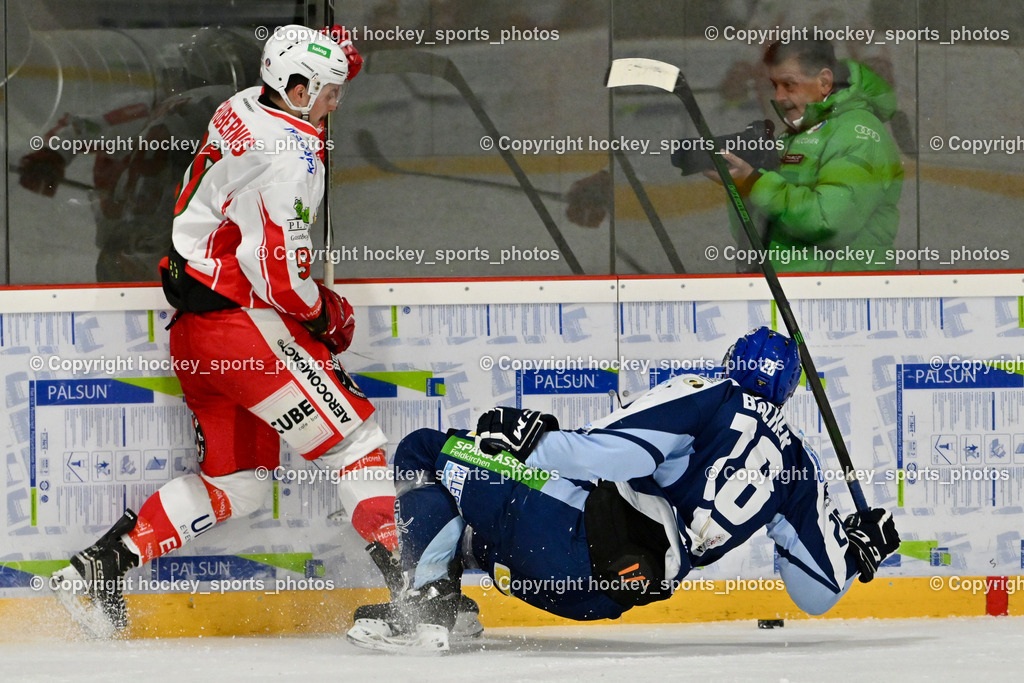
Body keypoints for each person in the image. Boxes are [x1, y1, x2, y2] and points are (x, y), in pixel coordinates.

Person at [49, 24, 484, 639]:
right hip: (244, 329)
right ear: (298, 89)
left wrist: (332, 55)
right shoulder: (289, 159)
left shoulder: (242, 107)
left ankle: (99, 569)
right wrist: (323, 312)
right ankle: (415, 600)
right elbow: (280, 276)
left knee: (236, 487)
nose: (338, 102)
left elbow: (295, 91)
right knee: (354, 444)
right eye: (330, 91)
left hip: (197, 335)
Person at [346, 327, 900, 653]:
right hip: (605, 597)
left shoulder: (710, 392)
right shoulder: (798, 462)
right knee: (484, 529)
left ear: (732, 364)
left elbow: (614, 454)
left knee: (423, 449)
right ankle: (453, 606)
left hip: (567, 539)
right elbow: (817, 593)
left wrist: (525, 446)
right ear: (788, 390)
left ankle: (423, 610)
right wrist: (857, 551)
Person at [710, 39, 903, 272]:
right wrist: (743, 184)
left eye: (789, 85)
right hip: (788, 292)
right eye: (775, 85)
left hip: (837, 298)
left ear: (824, 81)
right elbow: (760, 230)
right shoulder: (794, 135)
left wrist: (755, 183)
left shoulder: (858, 133)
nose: (779, 97)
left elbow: (829, 224)